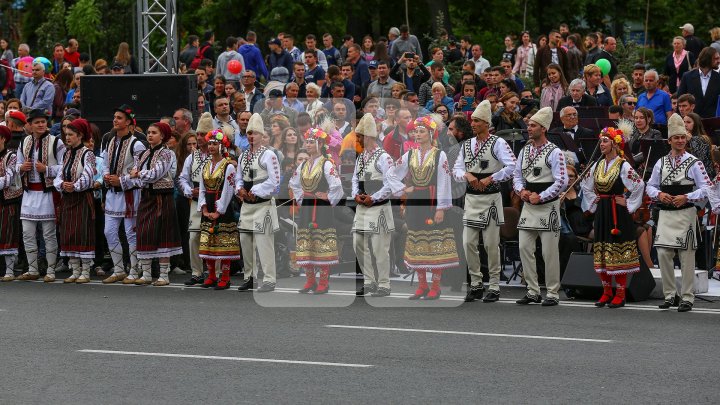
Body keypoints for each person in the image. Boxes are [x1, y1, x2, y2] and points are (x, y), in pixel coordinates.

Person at [646, 113, 712, 312]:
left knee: (686, 255)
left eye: (683, 137)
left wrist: (688, 197)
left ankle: (687, 297)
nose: (681, 140)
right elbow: (649, 186)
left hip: (685, 212)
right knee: (664, 253)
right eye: (677, 137)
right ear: (670, 140)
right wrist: (659, 194)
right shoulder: (661, 162)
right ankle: (670, 295)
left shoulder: (694, 162)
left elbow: (707, 188)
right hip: (666, 213)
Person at [389, 116, 459, 300]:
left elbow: (444, 182)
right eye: (415, 131)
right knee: (416, 244)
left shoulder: (439, 154)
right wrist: (404, 188)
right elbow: (391, 173)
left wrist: (441, 208)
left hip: (432, 201)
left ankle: (435, 286)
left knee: (435, 244)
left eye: (421, 131)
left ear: (430, 134)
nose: (417, 134)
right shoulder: (410, 155)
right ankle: (422, 285)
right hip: (415, 203)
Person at [580, 126, 645, 308]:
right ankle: (607, 291)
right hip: (603, 210)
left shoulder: (623, 165)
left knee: (617, 250)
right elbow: (586, 186)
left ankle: (621, 293)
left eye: (606, 141)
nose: (602, 144)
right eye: (601, 141)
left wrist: (628, 202)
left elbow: (639, 184)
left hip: (618, 213)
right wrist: (595, 200)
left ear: (615, 145)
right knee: (601, 250)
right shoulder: (597, 165)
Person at [512, 107, 568, 306]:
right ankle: (532, 290)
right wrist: (522, 191)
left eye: (533, 125)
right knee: (524, 247)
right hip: (529, 203)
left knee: (549, 252)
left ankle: (552, 292)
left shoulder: (555, 152)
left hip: (547, 206)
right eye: (528, 125)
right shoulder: (525, 150)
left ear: (543, 128)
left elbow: (562, 181)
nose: (529, 128)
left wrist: (541, 196)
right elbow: (517, 175)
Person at [123, 122, 182, 286]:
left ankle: (164, 274)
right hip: (146, 197)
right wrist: (134, 176)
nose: (149, 135)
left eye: (154, 132)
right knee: (144, 233)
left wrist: (138, 174)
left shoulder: (167, 154)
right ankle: (147, 273)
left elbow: (156, 174)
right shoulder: (142, 154)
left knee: (163, 234)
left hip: (162, 198)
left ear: (162, 136)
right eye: (148, 132)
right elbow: (133, 174)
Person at [289, 127, 343, 294]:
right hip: (307, 207)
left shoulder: (327, 164)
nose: (308, 144)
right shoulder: (304, 164)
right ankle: (310, 280)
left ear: (320, 144)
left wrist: (328, 197)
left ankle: (324, 282)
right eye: (307, 141)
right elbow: (294, 184)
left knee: (322, 243)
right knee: (307, 243)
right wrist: (301, 199)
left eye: (312, 142)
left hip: (322, 209)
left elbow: (337, 186)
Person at [353, 113, 401, 297]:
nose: (357, 139)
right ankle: (368, 281)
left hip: (379, 206)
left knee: (380, 247)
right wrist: (356, 195)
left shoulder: (384, 157)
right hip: (363, 206)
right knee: (358, 243)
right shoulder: (361, 157)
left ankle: (384, 284)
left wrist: (374, 197)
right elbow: (355, 180)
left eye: (360, 136)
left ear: (370, 137)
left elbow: (390, 184)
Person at [15, 108, 66, 282]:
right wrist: (21, 168)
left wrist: (47, 169)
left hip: (47, 193)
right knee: (27, 233)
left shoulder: (56, 142)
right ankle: (32, 268)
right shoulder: (25, 142)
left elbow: (65, 166)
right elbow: (17, 164)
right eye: (37, 122)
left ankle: (51, 270)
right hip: (29, 193)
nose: (41, 125)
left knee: (48, 234)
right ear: (29, 125)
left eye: (43, 121)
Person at [100, 105, 146, 283]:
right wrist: (105, 175)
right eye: (114, 117)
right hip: (112, 194)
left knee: (131, 233)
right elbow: (104, 162)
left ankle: (134, 270)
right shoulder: (110, 140)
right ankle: (118, 268)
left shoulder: (137, 144)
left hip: (130, 194)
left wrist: (122, 180)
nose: (115, 120)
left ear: (128, 122)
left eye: (119, 118)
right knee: (109, 232)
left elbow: (140, 171)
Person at [236, 113, 281, 292]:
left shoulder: (269, 155)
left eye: (254, 133)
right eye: (249, 133)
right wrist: (240, 189)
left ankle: (269, 279)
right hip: (247, 205)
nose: (251, 136)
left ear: (262, 135)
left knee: (264, 244)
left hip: (263, 205)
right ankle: (250, 277)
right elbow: (239, 177)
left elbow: (274, 181)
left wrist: (255, 191)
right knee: (246, 242)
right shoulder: (243, 155)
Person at [53, 118, 96, 283]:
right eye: (66, 134)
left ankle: (85, 271)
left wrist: (75, 186)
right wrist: (62, 184)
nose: (67, 137)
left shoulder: (88, 154)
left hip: (82, 198)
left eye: (71, 134)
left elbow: (88, 175)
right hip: (68, 198)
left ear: (80, 135)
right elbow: (58, 176)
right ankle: (75, 269)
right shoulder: (67, 153)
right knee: (68, 233)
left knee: (82, 233)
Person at [198, 129, 242, 289]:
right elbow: (202, 188)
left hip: (221, 207)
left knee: (224, 243)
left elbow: (228, 191)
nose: (210, 146)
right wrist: (203, 207)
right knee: (208, 242)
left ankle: (225, 276)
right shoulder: (205, 165)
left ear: (222, 146)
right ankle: (211, 275)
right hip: (208, 205)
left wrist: (219, 210)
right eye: (209, 143)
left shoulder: (228, 166)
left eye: (214, 144)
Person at [0, 126, 22, 282]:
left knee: (8, 234)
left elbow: (7, 180)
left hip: (8, 201)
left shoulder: (11, 157)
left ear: (3, 139)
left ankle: (9, 270)